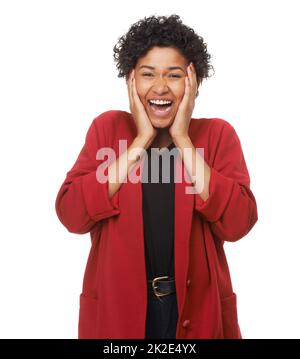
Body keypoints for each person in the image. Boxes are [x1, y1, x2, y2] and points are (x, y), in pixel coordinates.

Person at [55, 14, 258, 339]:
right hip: (119, 313)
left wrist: (183, 139)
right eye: (148, 75)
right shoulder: (107, 129)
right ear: (131, 80)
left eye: (174, 75)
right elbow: (71, 215)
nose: (160, 87)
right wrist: (139, 143)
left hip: (195, 310)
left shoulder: (218, 135)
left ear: (194, 82)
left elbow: (237, 223)